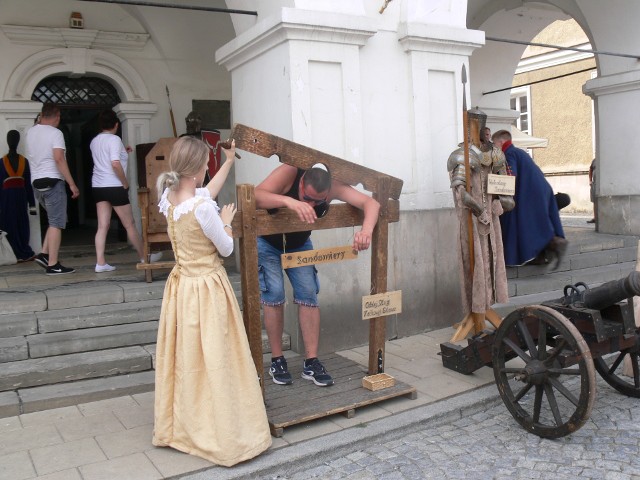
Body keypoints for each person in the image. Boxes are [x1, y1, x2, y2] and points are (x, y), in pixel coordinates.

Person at [152, 136, 271, 466]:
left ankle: (184, 425)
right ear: (194, 170)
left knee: (188, 357)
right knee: (216, 356)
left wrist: (229, 161)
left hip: (182, 287)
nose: (209, 167)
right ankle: (221, 433)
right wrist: (227, 223)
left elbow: (207, 193)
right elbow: (226, 249)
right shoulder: (203, 209)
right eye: (206, 163)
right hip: (206, 288)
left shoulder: (170, 196)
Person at [255, 164, 380, 387]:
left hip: (299, 243)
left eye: (317, 202)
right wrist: (289, 201)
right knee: (273, 293)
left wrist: (366, 230)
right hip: (268, 242)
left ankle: (311, 362)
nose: (311, 205)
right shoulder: (289, 172)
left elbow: (370, 203)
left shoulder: (333, 185)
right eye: (307, 198)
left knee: (308, 293)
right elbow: (256, 195)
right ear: (301, 183)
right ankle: (277, 359)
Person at [90, 109, 160, 272]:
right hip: (114, 186)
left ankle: (100, 263)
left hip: (98, 186)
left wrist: (123, 152)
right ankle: (144, 255)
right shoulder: (114, 139)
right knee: (129, 224)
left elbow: (106, 158)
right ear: (116, 125)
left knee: (102, 226)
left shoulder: (94, 141)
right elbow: (115, 164)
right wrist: (125, 183)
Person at [492, 129, 567, 269]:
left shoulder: (508, 154)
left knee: (524, 226)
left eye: (494, 143)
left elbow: (510, 177)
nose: (493, 147)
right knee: (536, 225)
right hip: (540, 191)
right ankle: (544, 252)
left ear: (501, 142)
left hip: (530, 195)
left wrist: (494, 189)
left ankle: (553, 243)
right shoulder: (519, 152)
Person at [26, 103, 79, 275]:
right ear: (57, 116)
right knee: (57, 223)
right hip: (53, 182)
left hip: (36, 183)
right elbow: (59, 159)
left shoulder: (31, 132)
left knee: (52, 219)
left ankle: (44, 254)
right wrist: (72, 183)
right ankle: (53, 264)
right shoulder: (56, 133)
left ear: (42, 115)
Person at [0, 130, 36, 261]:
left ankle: (22, 251)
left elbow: (28, 184)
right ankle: (12, 253)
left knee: (21, 224)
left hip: (21, 198)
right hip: (6, 199)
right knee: (8, 225)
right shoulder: (1, 162)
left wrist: (32, 205)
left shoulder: (24, 161)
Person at [588, 158, 596, 223]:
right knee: (594, 201)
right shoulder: (594, 160)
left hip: (601, 184)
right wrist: (590, 180)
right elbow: (590, 170)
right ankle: (595, 217)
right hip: (594, 184)